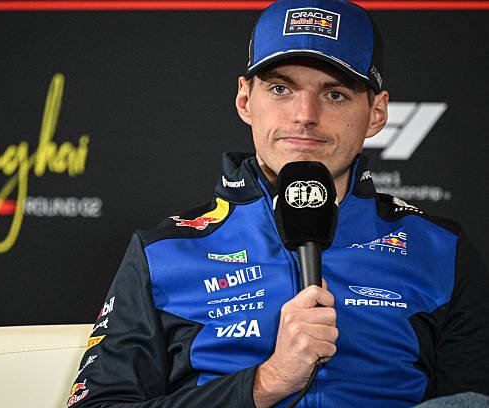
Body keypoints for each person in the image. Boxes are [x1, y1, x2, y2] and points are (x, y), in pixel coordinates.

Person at [67, 0, 489, 407]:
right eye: (281, 88)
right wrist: (267, 382)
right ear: (245, 100)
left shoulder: (439, 249)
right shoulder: (163, 253)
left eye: (335, 94)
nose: (305, 114)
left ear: (376, 113)